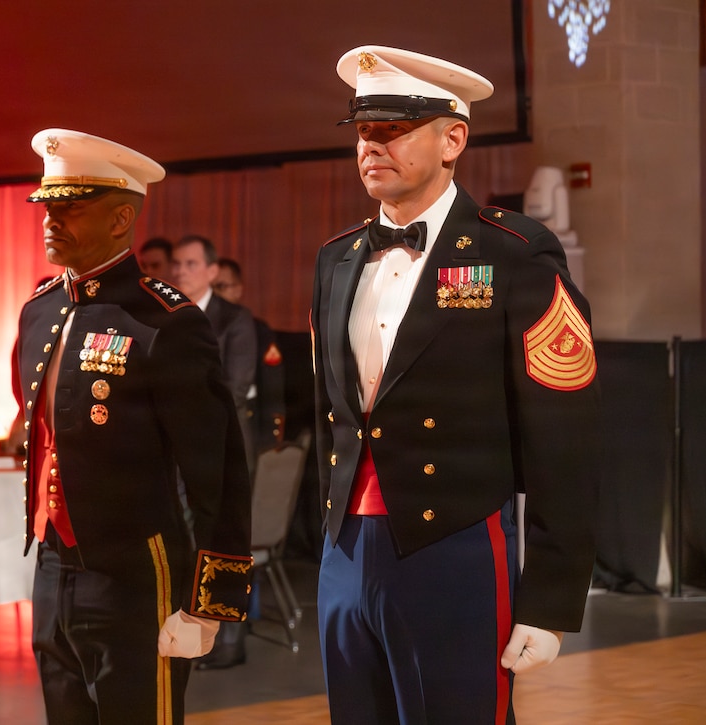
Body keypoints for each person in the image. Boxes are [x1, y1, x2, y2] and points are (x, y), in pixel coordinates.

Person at [311, 46, 600, 724]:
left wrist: (550, 600)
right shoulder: (336, 258)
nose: (370, 144)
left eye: (392, 128)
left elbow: (568, 438)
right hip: (345, 548)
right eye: (361, 130)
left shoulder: (515, 253)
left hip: (459, 546)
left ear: (453, 139)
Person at [14, 128, 251, 725]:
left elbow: (216, 465)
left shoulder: (165, 322)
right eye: (47, 205)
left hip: (138, 572)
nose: (51, 219)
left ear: (122, 218)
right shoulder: (39, 310)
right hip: (53, 562)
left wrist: (212, 601)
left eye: (70, 207)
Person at [169, 236, 256, 671]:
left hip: (222, 451)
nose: (179, 271)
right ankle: (188, 633)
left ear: (212, 270)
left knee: (225, 542)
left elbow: (234, 389)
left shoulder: (234, 321)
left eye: (189, 263)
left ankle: (229, 642)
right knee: (185, 546)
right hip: (175, 455)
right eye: (176, 264)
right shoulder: (166, 317)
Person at [215, 257, 286, 453]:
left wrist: (272, 437)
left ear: (238, 289)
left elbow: (272, 388)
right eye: (211, 287)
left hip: (251, 424)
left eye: (221, 286)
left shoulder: (259, 332)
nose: (215, 294)